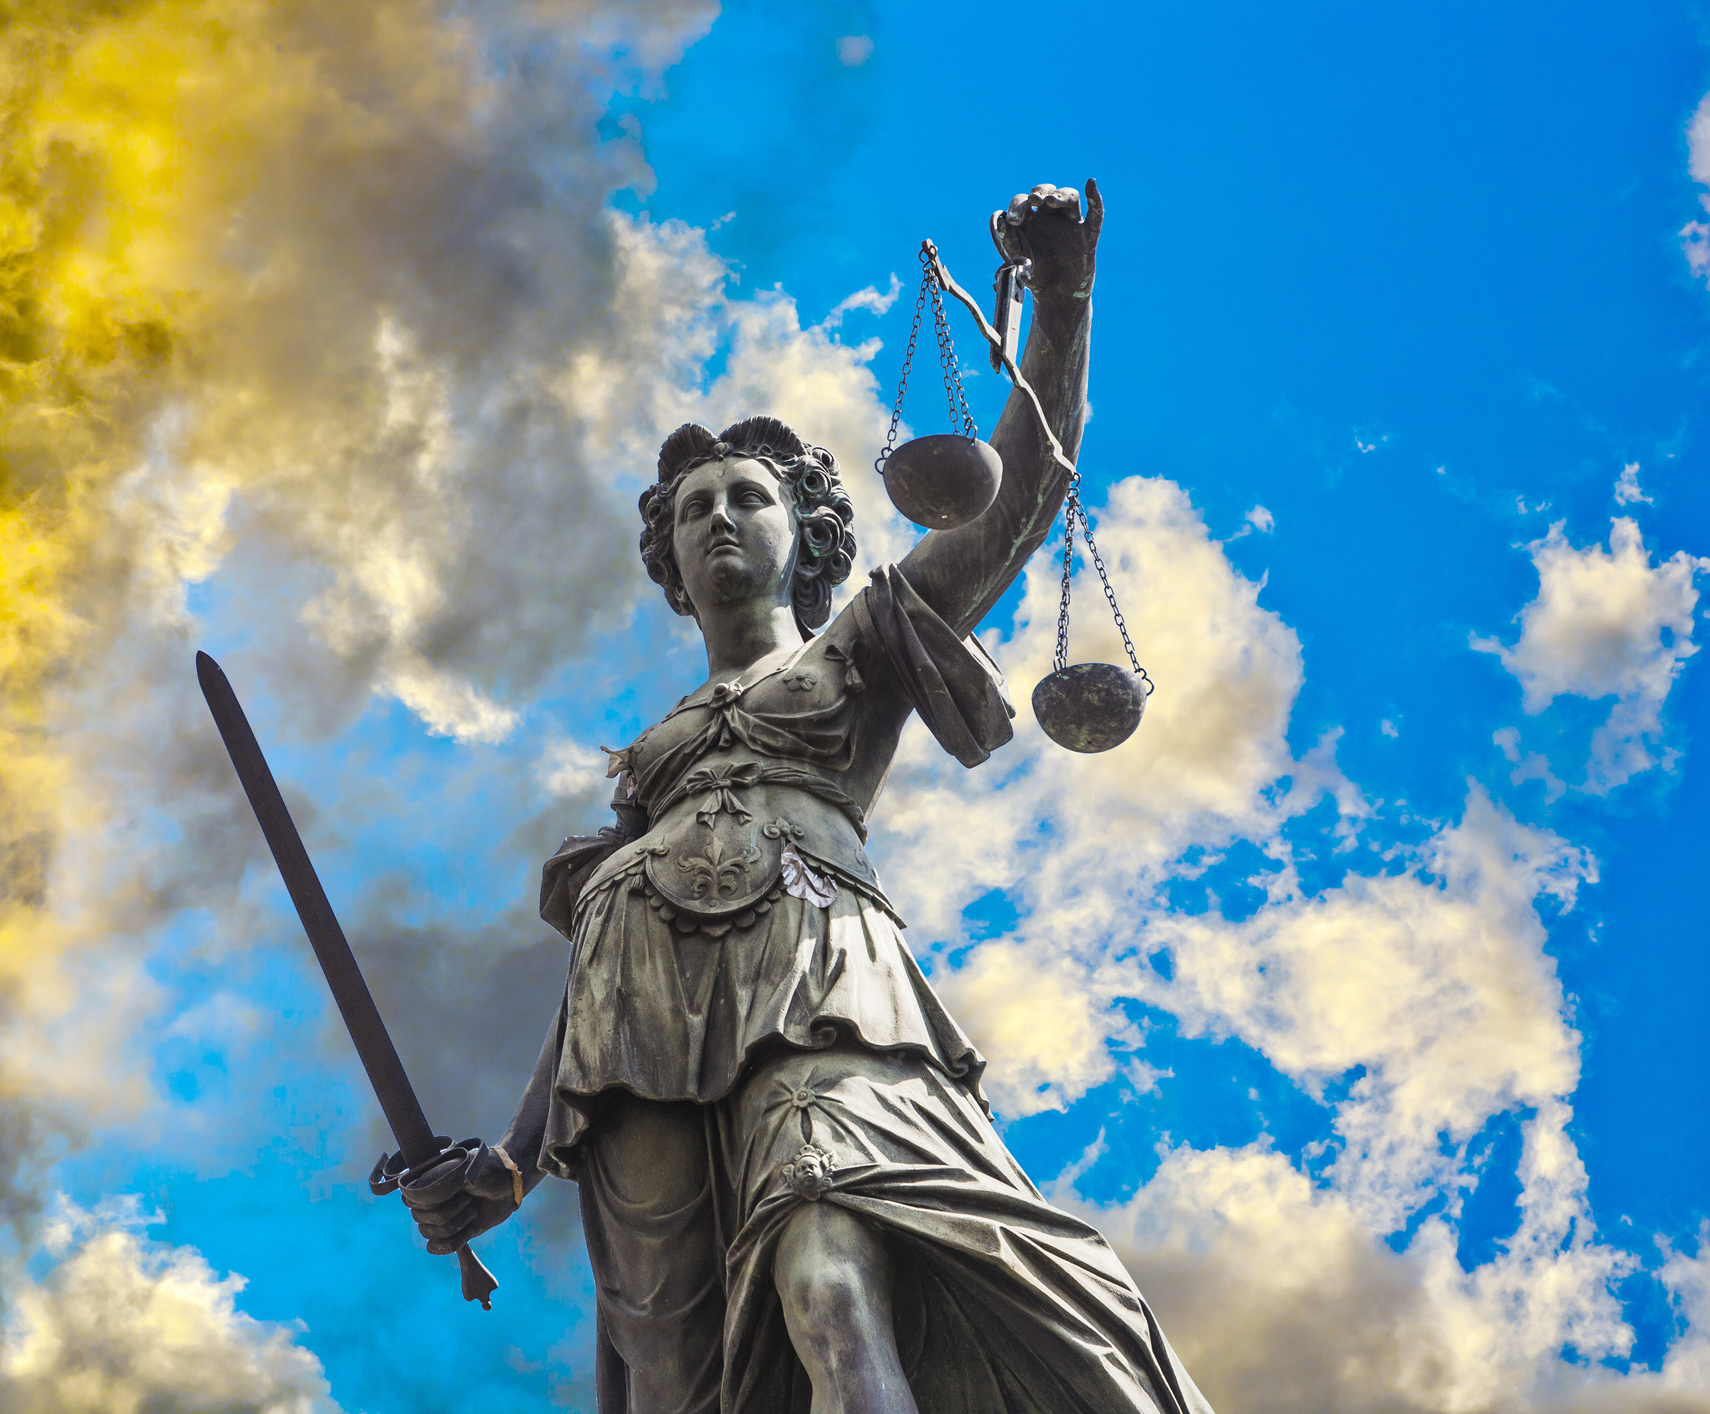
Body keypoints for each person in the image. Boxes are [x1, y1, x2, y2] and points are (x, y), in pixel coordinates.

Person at [392, 181, 1214, 1414]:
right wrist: (509, 1163)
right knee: (684, 1372)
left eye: (747, 498)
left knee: (831, 1264)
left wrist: (1062, 295)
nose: (717, 517)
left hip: (819, 981)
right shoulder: (650, 762)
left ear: (806, 531)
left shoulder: (865, 644)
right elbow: (589, 979)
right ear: (665, 556)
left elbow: (1025, 486)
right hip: (635, 1027)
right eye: (691, 508)